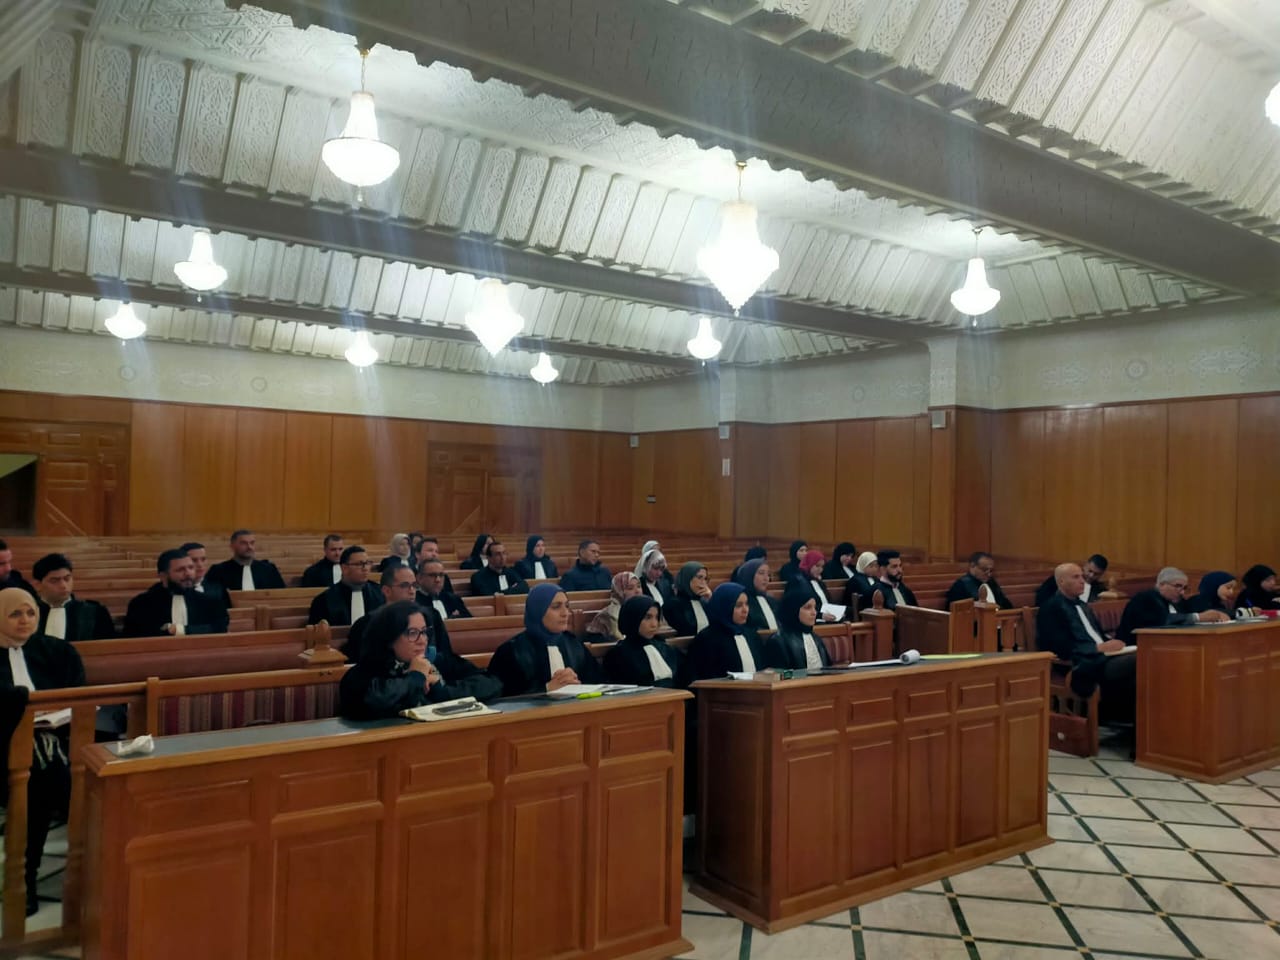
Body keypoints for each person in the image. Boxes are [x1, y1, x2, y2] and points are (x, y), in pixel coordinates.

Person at [0, 588, 86, 916]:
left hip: (53, 744)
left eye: (31, 613)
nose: (25, 621)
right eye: (14, 614)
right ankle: (25, 879)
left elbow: (77, 693)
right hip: (4, 746)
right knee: (43, 778)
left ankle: (28, 878)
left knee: (41, 778)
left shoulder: (56, 651)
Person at [338, 602, 489, 721]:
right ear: (389, 638)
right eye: (412, 633)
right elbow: (374, 703)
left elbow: (490, 682)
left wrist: (443, 692)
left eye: (424, 632)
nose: (422, 641)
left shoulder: (436, 660)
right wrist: (416, 677)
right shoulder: (365, 671)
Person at [1037, 563, 1134, 724]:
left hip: (1102, 656)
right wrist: (1097, 648)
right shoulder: (1051, 608)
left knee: (1141, 659)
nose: (1083, 581)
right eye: (1076, 577)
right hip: (1080, 663)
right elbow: (1059, 646)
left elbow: (1095, 635)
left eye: (1082, 576)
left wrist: (1113, 643)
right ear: (1061, 582)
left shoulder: (1083, 605)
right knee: (1138, 661)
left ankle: (1129, 721)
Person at [487, 584, 604, 696]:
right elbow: (501, 698)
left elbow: (598, 683)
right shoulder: (511, 651)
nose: (565, 613)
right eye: (556, 607)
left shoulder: (574, 644)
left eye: (567, 606)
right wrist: (546, 689)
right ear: (537, 610)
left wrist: (577, 683)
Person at [123, 549, 229, 637]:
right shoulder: (142, 604)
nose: (188, 574)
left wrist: (181, 630)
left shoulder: (210, 601)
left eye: (191, 568)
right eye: (180, 570)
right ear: (163, 576)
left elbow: (219, 629)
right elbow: (134, 637)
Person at [1116, 567, 1229, 642]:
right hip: (1136, 647)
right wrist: (1198, 617)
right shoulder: (1145, 599)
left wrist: (1217, 614)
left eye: (1184, 588)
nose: (1182, 592)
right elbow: (1163, 621)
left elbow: (1190, 611)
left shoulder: (1177, 600)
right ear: (1162, 585)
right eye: (1177, 586)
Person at [604, 596, 690, 688]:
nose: (654, 624)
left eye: (656, 617)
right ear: (632, 618)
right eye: (647, 617)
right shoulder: (618, 655)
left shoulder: (667, 649)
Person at [689, 583, 765, 680]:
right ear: (724, 606)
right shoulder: (707, 639)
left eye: (746, 604)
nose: (745, 610)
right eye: (738, 605)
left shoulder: (751, 635)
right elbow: (704, 677)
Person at [31, 554, 115, 641]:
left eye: (67, 579)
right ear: (38, 585)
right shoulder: (28, 612)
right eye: (54, 581)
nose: (63, 585)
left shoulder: (95, 612)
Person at [307, 545, 385, 627]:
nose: (365, 568)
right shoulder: (323, 600)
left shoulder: (380, 594)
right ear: (344, 568)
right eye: (359, 564)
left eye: (367, 563)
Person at [763, 589, 833, 671]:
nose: (814, 613)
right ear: (794, 610)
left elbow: (828, 668)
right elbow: (781, 675)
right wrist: (806, 676)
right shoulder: (778, 641)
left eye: (814, 607)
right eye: (808, 608)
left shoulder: (816, 637)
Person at [206, 530, 286, 592]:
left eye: (252, 543)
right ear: (232, 546)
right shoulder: (218, 571)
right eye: (243, 543)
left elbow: (281, 594)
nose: (249, 547)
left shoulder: (269, 569)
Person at [944, 552, 1012, 610]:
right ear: (972, 566)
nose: (989, 574)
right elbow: (955, 610)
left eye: (991, 570)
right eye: (984, 570)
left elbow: (1004, 602)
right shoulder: (960, 585)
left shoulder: (991, 582)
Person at [1035, 554, 1108, 608]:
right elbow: (1042, 598)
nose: (1091, 575)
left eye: (1096, 574)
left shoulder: (1099, 589)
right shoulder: (1060, 578)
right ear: (1085, 566)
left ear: (1102, 574)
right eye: (1090, 571)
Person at [586, 572, 642, 641]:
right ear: (619, 591)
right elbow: (619, 638)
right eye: (630, 588)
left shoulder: (641, 608)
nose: (637, 591)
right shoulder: (611, 614)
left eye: (639, 586)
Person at [665, 561, 712, 637]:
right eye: (699, 577)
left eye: (705, 579)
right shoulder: (673, 605)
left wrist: (711, 600)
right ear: (687, 578)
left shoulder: (704, 602)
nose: (703, 582)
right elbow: (685, 631)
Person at [734, 558, 779, 635]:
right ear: (749, 575)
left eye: (768, 574)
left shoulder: (772, 601)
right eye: (761, 573)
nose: (766, 578)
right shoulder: (741, 602)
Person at [180, 542, 229, 608]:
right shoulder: (177, 589)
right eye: (194, 560)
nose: (200, 564)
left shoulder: (217, 588)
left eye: (203, 559)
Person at [1188, 571, 1255, 617]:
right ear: (1214, 586)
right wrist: (1247, 612)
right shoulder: (1197, 602)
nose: (1231, 592)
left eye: (1233, 588)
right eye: (1228, 588)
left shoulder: (1219, 603)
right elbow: (1213, 613)